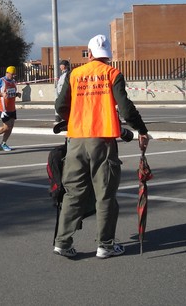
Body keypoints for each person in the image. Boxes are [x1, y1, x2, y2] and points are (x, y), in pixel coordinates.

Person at [53, 34, 150, 259]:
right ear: (108, 55)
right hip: (103, 142)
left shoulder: (74, 74)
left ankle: (62, 242)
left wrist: (74, 120)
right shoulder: (112, 74)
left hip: (76, 140)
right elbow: (126, 109)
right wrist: (142, 131)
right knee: (105, 194)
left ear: (89, 53)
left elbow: (60, 105)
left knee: (73, 193)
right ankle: (105, 245)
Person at [0, 66, 22, 151]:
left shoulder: (13, 82)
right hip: (3, 108)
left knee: (11, 126)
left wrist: (17, 94)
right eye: (12, 74)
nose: (14, 76)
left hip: (12, 108)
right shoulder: (1, 81)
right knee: (6, 127)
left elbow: (11, 93)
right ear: (7, 73)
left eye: (14, 75)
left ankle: (3, 144)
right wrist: (1, 94)